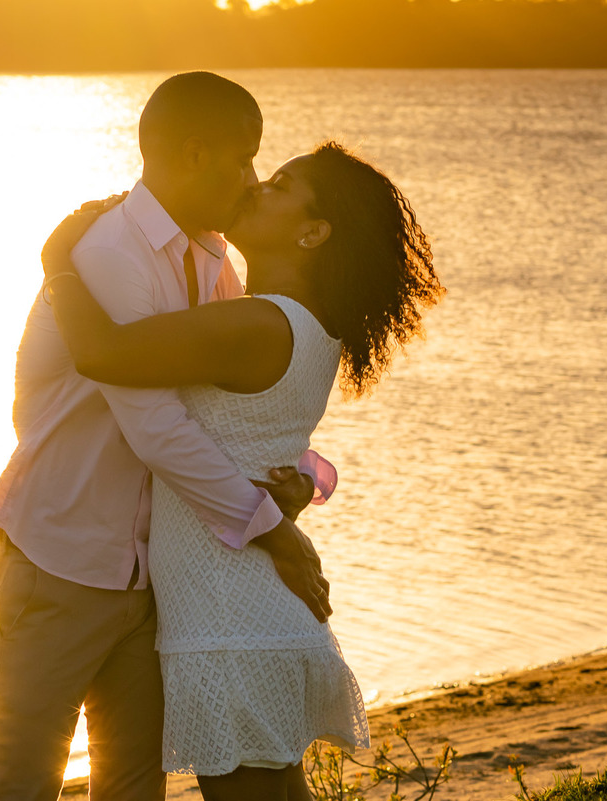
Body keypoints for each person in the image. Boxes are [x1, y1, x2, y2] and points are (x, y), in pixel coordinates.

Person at [0, 72, 337, 801]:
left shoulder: (216, 264)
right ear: (196, 153)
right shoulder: (110, 253)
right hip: (57, 565)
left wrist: (304, 470)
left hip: (149, 584)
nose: (252, 179)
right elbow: (158, 427)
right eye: (244, 159)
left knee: (134, 789)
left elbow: (224, 410)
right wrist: (270, 530)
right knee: (20, 784)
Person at [41, 140, 444, 801]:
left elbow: (104, 351)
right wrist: (307, 478)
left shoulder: (256, 324)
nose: (258, 185)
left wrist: (57, 265)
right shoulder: (312, 329)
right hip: (251, 609)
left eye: (282, 185)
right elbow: (266, 436)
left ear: (314, 232)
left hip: (229, 618)